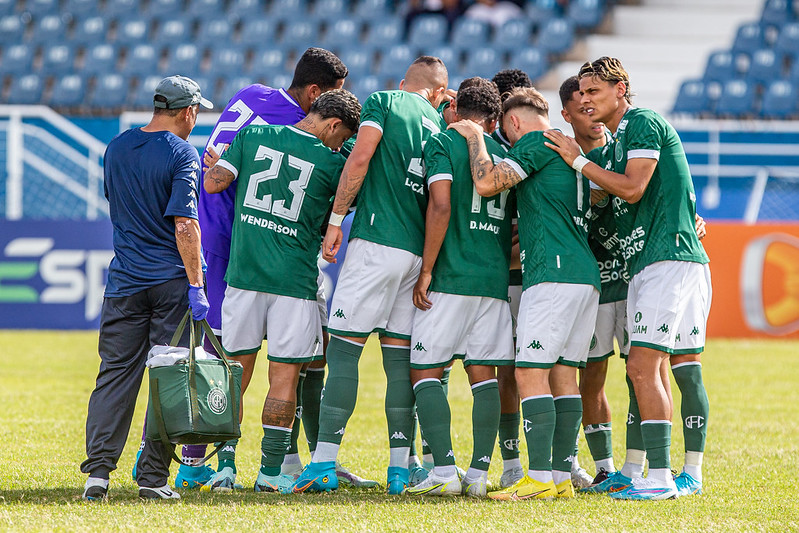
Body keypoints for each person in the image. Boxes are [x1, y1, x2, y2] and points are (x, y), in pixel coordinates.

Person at [187, 47, 373, 492]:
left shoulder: (253, 134)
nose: (338, 142)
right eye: (338, 135)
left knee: (231, 373)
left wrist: (226, 167)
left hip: (240, 268)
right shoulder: (332, 163)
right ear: (331, 122)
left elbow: (211, 180)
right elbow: (350, 196)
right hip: (293, 280)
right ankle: (273, 473)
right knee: (285, 376)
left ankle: (221, 465)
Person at [544, 57, 711, 500]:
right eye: (580, 93)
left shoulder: (642, 122)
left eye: (593, 91)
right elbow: (603, 193)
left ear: (621, 89)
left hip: (669, 259)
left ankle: (664, 476)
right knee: (643, 368)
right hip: (644, 265)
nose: (584, 99)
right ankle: (637, 471)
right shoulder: (611, 148)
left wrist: (578, 161)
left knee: (649, 366)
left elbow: (634, 188)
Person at [292, 56, 449, 495]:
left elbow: (359, 158)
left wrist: (336, 218)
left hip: (376, 241)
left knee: (343, 352)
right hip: (416, 255)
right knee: (399, 362)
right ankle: (401, 469)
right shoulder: (440, 124)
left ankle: (323, 462)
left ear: (405, 83)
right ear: (439, 93)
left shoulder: (386, 101)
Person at [450, 87, 600, 500]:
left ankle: (536, 478)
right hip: (584, 275)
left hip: (551, 274)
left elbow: (486, 184)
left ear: (513, 123)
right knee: (564, 376)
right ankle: (559, 478)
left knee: (528, 372)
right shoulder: (571, 149)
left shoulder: (534, 142)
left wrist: (476, 137)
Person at [81, 75, 213, 501]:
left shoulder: (116, 147)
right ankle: (152, 480)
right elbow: (185, 224)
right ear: (187, 111)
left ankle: (97, 476)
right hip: (171, 282)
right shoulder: (183, 153)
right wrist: (197, 284)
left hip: (123, 282)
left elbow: (115, 202)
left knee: (114, 377)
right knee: (168, 379)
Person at [407, 82, 513, 498]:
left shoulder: (442, 142)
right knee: (483, 374)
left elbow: (441, 204)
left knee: (425, 370)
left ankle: (445, 471)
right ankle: (479, 475)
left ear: (454, 110)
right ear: (492, 121)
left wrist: (426, 270)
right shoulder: (503, 157)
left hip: (452, 275)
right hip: (493, 280)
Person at [490, 67, 533, 489]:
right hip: (498, 273)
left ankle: (549, 462)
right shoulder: (487, 146)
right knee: (503, 369)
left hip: (527, 272)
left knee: (537, 366)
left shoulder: (542, 142)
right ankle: (511, 461)